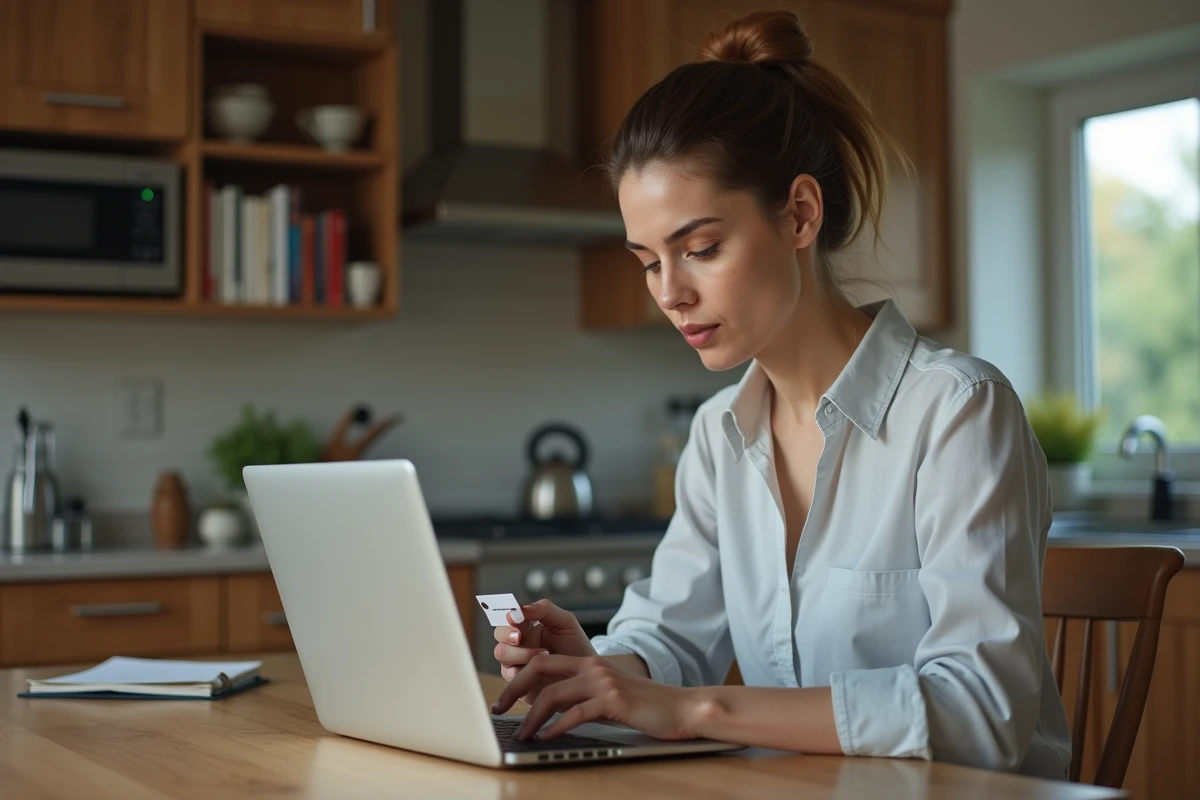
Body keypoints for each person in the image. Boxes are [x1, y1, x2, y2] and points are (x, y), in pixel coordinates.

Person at [489, 9, 1071, 779]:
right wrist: (604, 665)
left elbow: (980, 713)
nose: (670, 292)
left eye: (700, 249)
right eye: (647, 261)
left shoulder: (957, 412)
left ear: (799, 214)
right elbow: (675, 641)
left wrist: (700, 710)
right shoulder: (717, 434)